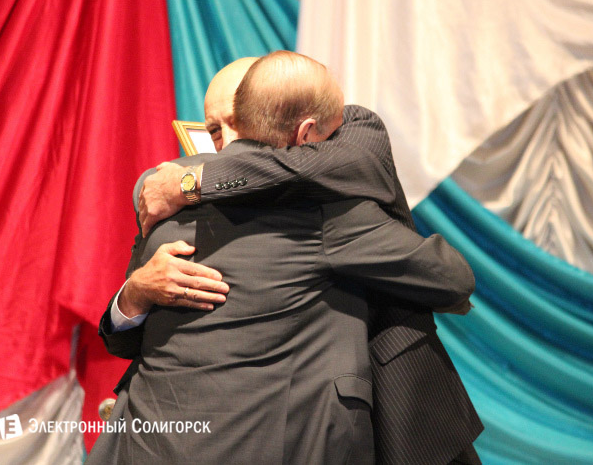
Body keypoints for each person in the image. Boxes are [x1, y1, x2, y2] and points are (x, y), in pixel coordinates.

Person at [89, 52, 476, 464]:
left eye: (235, 123)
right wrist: (134, 294)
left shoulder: (175, 189)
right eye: (214, 131)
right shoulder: (161, 200)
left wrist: (193, 182)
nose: (228, 145)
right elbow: (126, 341)